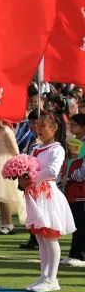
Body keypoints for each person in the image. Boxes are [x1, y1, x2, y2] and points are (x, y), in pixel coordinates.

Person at [19, 112, 77, 292]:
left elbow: (52, 171)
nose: (39, 129)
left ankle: (52, 278)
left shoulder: (57, 149)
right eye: (37, 125)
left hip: (47, 195)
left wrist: (31, 177)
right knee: (40, 238)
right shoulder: (36, 147)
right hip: (35, 195)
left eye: (43, 126)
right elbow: (29, 165)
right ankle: (44, 276)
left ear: (53, 128)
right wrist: (21, 177)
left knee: (50, 237)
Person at [63, 114, 85, 268]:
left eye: (74, 125)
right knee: (76, 222)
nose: (71, 127)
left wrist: (71, 177)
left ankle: (81, 255)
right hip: (73, 188)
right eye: (70, 125)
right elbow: (70, 162)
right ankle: (74, 253)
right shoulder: (75, 142)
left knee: (81, 223)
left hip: (81, 189)